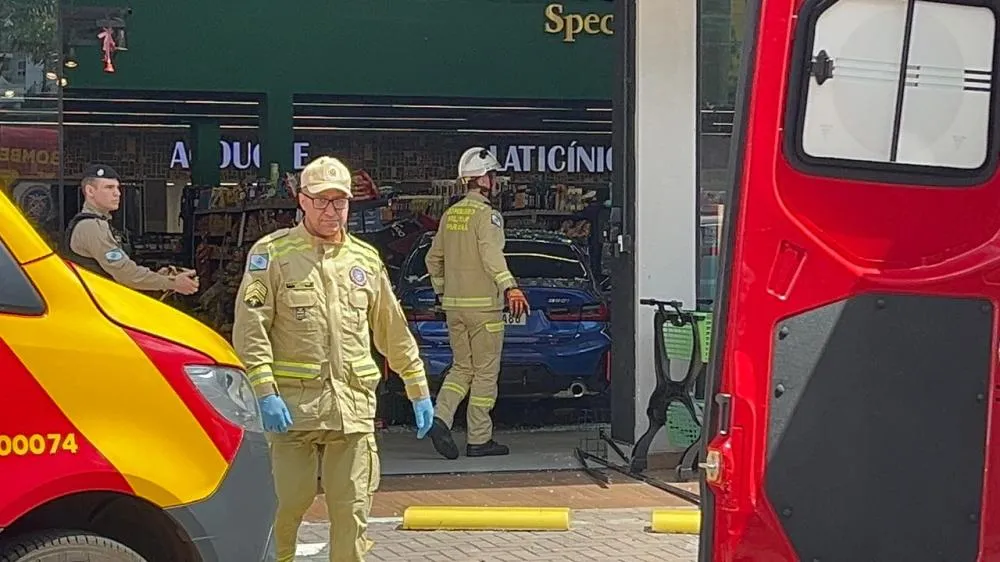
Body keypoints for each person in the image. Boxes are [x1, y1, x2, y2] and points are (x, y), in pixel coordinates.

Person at [232, 155, 434, 562]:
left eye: (339, 202)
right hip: (293, 410)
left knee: (352, 512)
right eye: (322, 201)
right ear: (302, 201)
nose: (332, 211)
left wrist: (417, 387)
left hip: (353, 409)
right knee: (287, 506)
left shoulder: (363, 259)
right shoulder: (272, 255)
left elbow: (391, 327)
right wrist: (264, 389)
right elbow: (250, 327)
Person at [424, 147, 529, 459]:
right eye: (493, 176)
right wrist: (509, 286)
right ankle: (479, 439)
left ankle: (440, 417)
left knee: (461, 368)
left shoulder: (450, 214)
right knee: (484, 372)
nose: (495, 181)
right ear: (484, 179)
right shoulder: (487, 216)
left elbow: (433, 259)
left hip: (454, 308)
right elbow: (491, 254)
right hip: (484, 308)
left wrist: (443, 294)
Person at [64, 164, 199, 295]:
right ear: (90, 191)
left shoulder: (98, 224)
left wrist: (158, 276)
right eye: (109, 187)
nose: (117, 193)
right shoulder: (91, 227)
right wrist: (171, 282)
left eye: (117, 188)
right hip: (96, 307)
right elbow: (124, 273)